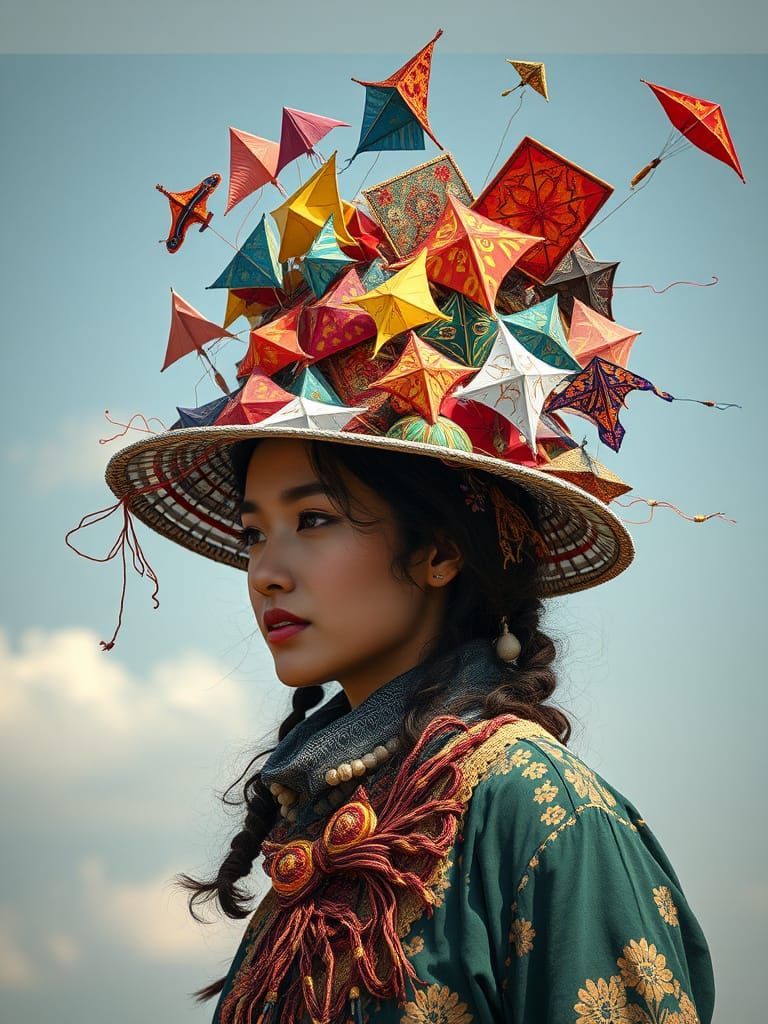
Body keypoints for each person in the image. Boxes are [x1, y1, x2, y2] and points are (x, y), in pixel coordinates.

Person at [127, 430, 712, 1024]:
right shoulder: (327, 815)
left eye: (313, 520)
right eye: (254, 534)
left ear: (439, 553)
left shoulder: (539, 807)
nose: (265, 574)